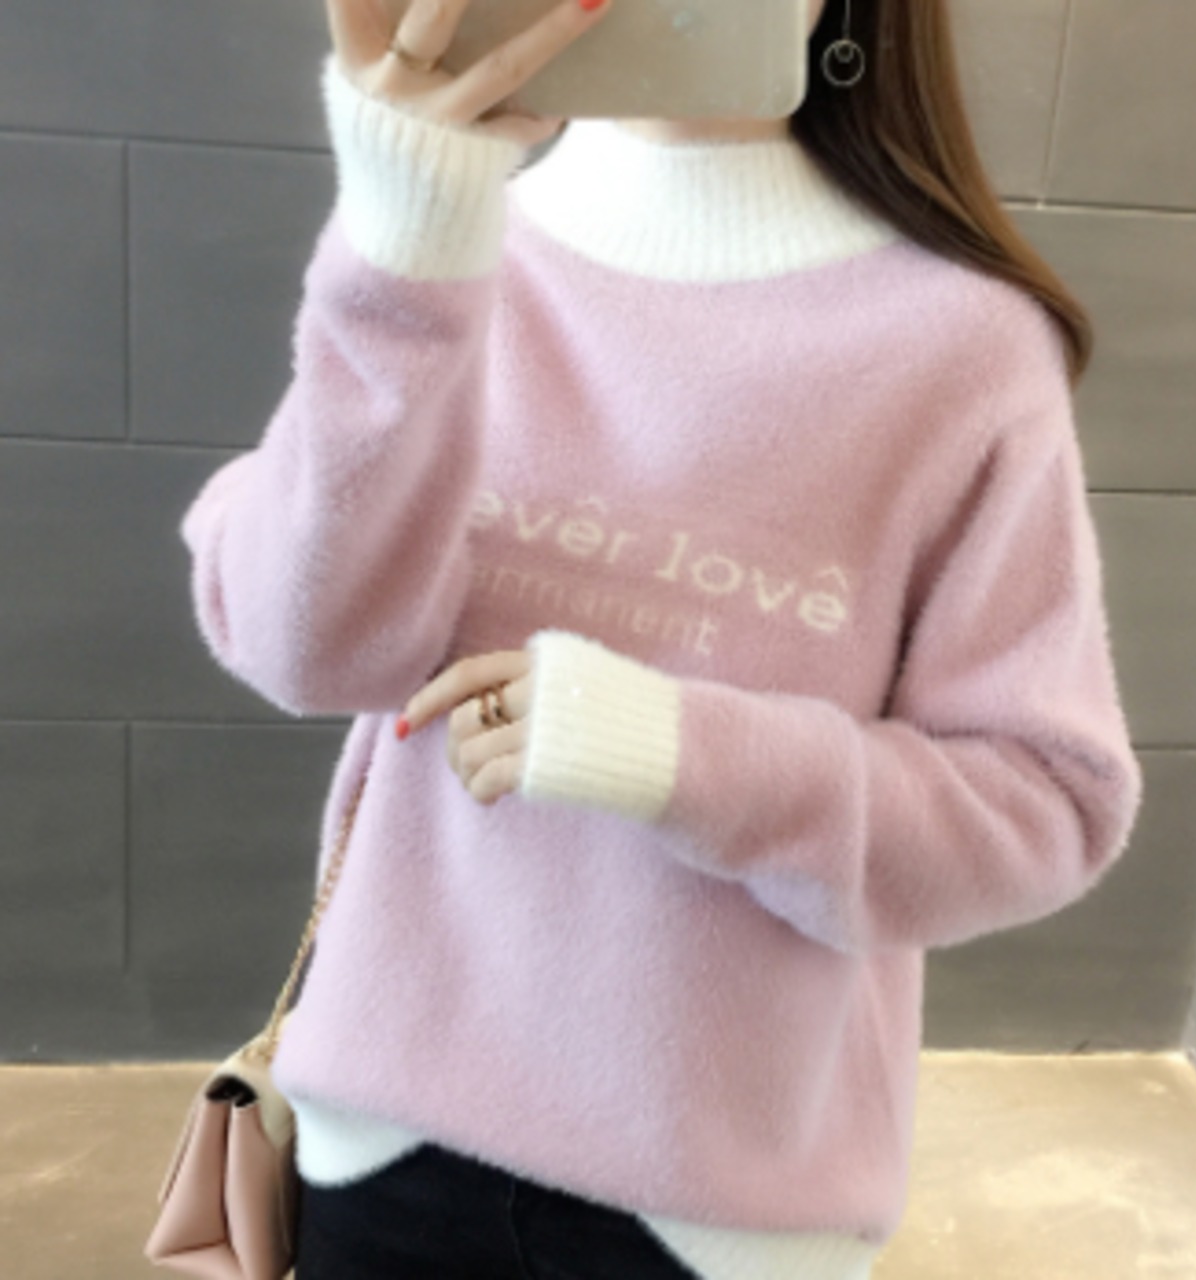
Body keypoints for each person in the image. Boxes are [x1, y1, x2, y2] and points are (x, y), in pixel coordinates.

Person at [177, 0, 1144, 1275]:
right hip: (379, 1145)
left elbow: (1042, 803)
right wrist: (401, 244)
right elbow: (302, 645)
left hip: (719, 1210)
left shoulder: (961, 344)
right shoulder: (440, 250)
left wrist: (677, 751)